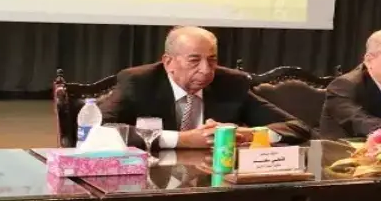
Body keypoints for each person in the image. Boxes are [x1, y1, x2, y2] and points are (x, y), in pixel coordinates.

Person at [99, 26, 309, 148]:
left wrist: (247, 134)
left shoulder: (231, 83)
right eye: (194, 60)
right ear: (168, 62)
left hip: (214, 181)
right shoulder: (139, 82)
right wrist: (181, 140)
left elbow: (297, 127)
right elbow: (96, 129)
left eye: (212, 60)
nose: (206, 70)